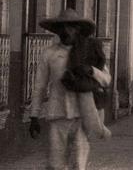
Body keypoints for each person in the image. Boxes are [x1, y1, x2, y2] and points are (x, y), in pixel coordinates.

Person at [29, 9, 112, 170]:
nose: (67, 31)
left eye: (71, 27)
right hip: (57, 115)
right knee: (55, 164)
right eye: (63, 27)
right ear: (57, 30)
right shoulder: (49, 54)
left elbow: (106, 79)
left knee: (78, 164)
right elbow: (39, 86)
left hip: (82, 115)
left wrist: (91, 71)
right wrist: (34, 116)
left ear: (79, 29)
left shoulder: (89, 53)